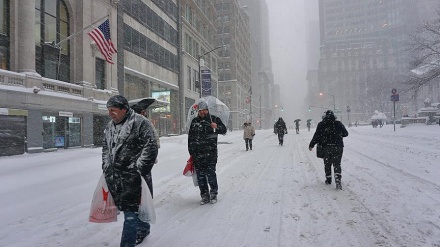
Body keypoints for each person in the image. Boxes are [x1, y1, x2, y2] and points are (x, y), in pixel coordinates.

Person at [102, 95, 158, 247]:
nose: (110, 113)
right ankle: (144, 228)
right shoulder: (110, 126)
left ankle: (127, 243)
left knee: (130, 213)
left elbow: (151, 147)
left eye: (113, 110)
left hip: (136, 176)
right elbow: (106, 149)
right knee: (136, 208)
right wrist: (107, 167)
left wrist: (138, 169)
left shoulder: (141, 123)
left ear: (124, 109)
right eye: (108, 110)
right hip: (117, 177)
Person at [188, 101, 227, 205]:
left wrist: (216, 127)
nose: (202, 112)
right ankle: (204, 195)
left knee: (211, 175)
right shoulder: (195, 121)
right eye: (200, 110)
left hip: (211, 153)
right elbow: (190, 137)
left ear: (207, 110)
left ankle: (214, 193)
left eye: (204, 110)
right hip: (198, 154)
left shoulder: (214, 119)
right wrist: (191, 152)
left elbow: (224, 130)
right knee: (200, 177)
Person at [308, 110, 348, 190]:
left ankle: (328, 179)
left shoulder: (321, 124)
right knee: (337, 164)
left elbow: (317, 136)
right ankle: (338, 181)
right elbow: (346, 133)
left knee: (327, 163)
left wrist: (311, 145)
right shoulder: (338, 124)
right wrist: (337, 135)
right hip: (338, 147)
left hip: (326, 147)